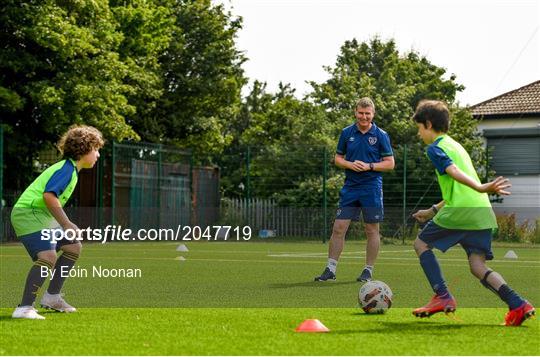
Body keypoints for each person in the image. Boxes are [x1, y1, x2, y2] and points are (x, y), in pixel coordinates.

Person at [411, 100, 535, 326]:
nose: (419, 134)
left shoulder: (435, 148)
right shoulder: (456, 145)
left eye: (419, 128)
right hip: (480, 212)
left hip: (462, 212)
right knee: (478, 266)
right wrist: (432, 210)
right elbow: (457, 189)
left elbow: (454, 172)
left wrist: (480, 186)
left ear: (428, 124)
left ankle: (442, 295)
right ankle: (518, 304)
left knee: (420, 244)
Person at [10, 125, 104, 319]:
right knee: (48, 257)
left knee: (73, 247)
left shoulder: (71, 170)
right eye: (96, 149)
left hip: (40, 216)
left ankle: (52, 297)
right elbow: (49, 197)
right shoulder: (66, 170)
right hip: (29, 214)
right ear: (84, 149)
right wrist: (67, 224)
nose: (98, 155)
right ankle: (24, 308)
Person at [315, 97, 395, 282]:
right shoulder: (346, 133)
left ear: (373, 114)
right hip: (350, 187)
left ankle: (368, 271)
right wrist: (350, 165)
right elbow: (338, 159)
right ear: (355, 112)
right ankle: (330, 270)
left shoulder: (381, 135)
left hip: (372, 188)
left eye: (367, 114)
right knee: (338, 228)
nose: (364, 117)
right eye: (361, 113)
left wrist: (370, 166)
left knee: (371, 230)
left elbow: (390, 163)